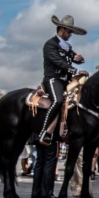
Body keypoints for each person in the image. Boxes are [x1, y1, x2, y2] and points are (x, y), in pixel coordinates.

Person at [38, 14, 86, 146]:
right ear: (62, 29)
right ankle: (45, 132)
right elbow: (58, 62)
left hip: (66, 81)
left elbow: (75, 58)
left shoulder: (67, 47)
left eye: (71, 32)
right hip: (54, 79)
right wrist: (75, 70)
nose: (70, 34)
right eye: (69, 31)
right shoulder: (50, 44)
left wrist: (79, 59)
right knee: (58, 100)